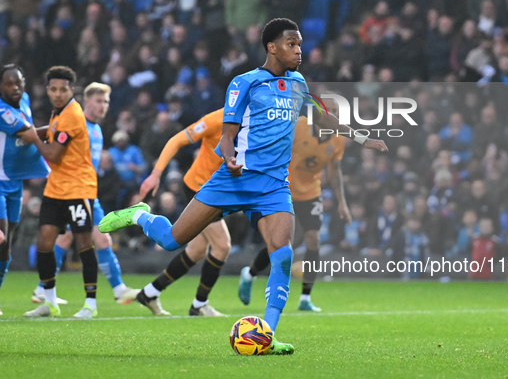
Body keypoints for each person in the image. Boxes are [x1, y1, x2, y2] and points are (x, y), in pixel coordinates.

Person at [98, 18, 387, 354]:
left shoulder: (297, 84)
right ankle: (139, 215)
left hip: (274, 186)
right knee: (171, 239)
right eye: (292, 44)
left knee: (282, 255)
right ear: (272, 47)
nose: (299, 50)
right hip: (233, 179)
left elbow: (322, 117)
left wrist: (363, 137)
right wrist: (230, 157)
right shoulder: (245, 83)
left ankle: (266, 336)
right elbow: (227, 135)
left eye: (300, 44)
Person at [30, 83, 140, 306]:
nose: (103, 106)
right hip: (72, 191)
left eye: (106, 102)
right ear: (86, 101)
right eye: (99, 101)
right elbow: (51, 137)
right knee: (83, 237)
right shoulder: (76, 123)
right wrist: (29, 133)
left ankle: (43, 289)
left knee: (91, 237)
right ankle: (115, 290)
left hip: (87, 191)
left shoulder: (96, 129)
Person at [238, 116, 351, 312]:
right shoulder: (299, 125)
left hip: (311, 193)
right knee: (282, 242)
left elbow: (335, 170)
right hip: (284, 190)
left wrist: (342, 201)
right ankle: (249, 274)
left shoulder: (338, 139)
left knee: (313, 239)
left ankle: (305, 298)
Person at [135, 108, 230, 317]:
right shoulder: (215, 119)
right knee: (222, 245)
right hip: (200, 187)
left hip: (219, 191)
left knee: (196, 251)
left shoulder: (257, 122)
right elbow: (176, 140)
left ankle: (150, 293)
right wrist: (156, 174)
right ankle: (199, 305)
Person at [21, 66, 99, 318]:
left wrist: (32, 137)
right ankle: (50, 301)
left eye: (62, 90)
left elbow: (53, 154)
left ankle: (91, 304)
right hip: (56, 188)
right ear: (47, 90)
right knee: (44, 242)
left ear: (71, 91)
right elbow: (51, 131)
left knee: (84, 244)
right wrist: (26, 132)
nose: (57, 94)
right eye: (53, 89)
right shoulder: (59, 113)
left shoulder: (73, 115)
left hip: (78, 187)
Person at [0, 64, 50, 316]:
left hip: (14, 182)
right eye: (9, 83)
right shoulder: (1, 110)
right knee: (0, 236)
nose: (15, 87)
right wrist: (61, 129)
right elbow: (30, 134)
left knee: (6, 244)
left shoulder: (25, 100)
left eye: (18, 82)